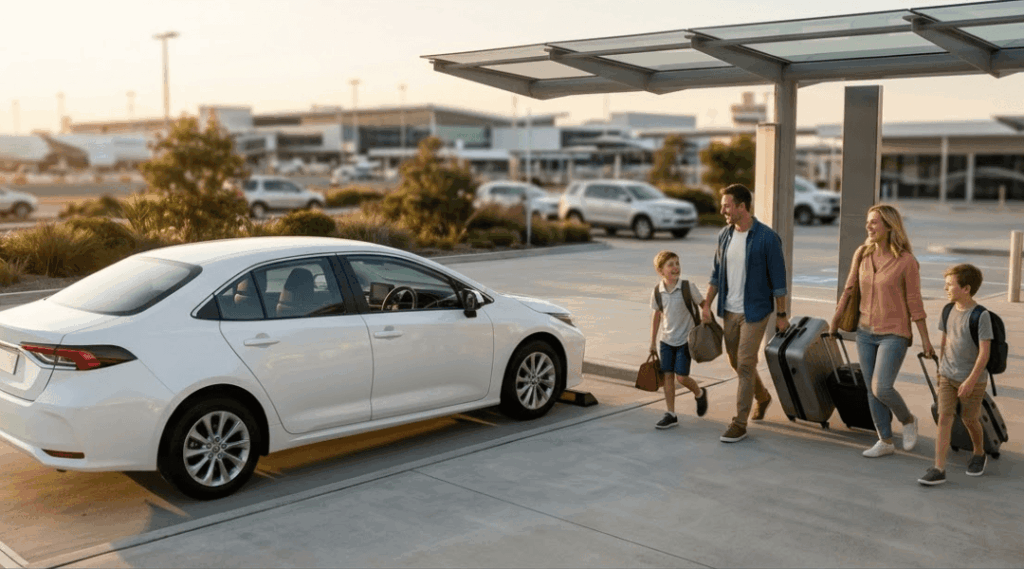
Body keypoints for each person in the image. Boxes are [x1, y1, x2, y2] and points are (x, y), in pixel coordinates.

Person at [830, 204, 934, 458]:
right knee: (870, 388)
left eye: (875, 222)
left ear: (889, 226)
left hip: (895, 333)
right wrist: (835, 320)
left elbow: (914, 301)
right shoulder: (862, 253)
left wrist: (925, 339)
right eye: (868, 222)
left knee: (882, 387)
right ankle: (885, 440)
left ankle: (908, 420)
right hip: (865, 331)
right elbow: (850, 288)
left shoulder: (907, 262)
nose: (869, 226)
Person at [701, 184, 789, 443]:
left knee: (746, 363)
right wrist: (707, 303)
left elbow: (779, 280)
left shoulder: (767, 238)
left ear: (742, 206)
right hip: (729, 309)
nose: (722, 210)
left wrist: (782, 315)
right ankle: (763, 397)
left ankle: (739, 423)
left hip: (756, 310)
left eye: (727, 205)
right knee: (736, 362)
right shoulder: (724, 236)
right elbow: (716, 274)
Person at [918, 264, 992, 486]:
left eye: (950, 285)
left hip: (973, 379)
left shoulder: (981, 315)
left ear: (966, 288)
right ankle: (939, 468)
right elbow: (945, 341)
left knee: (970, 419)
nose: (945, 288)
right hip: (948, 376)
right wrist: (941, 371)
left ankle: (979, 453)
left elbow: (984, 354)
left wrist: (970, 381)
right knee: (944, 418)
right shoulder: (948, 310)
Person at [650, 250, 708, 429]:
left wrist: (707, 316)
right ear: (661, 271)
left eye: (677, 263)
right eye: (670, 265)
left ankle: (699, 393)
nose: (676, 267)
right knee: (668, 376)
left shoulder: (687, 287)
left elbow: (703, 304)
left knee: (681, 377)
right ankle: (671, 414)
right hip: (666, 340)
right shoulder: (657, 291)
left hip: (685, 340)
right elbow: (657, 316)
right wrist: (652, 342)